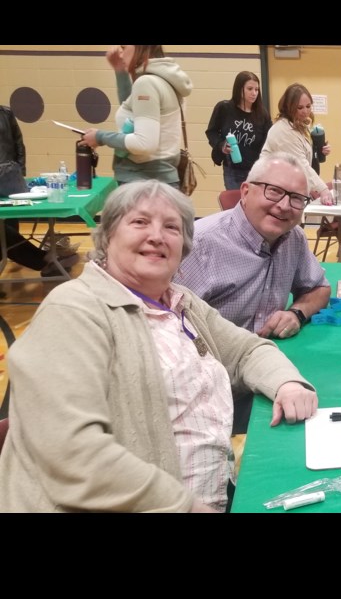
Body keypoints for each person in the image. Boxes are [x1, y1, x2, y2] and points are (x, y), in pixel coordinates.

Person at [0, 180, 318, 512]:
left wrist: (288, 382)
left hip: (209, 495)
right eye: (139, 222)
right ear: (107, 237)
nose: (156, 235)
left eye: (171, 227)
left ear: (183, 249)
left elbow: (245, 350)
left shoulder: (179, 302)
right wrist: (186, 506)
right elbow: (70, 452)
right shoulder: (74, 311)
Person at [178, 152, 332, 434]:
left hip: (264, 380)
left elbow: (319, 288)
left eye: (297, 198)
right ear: (246, 191)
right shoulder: (198, 245)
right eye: (274, 192)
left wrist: (297, 313)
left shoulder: (293, 238)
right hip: (204, 398)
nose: (284, 206)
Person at [80, 45, 192, 187]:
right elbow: (134, 114)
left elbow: (144, 144)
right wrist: (120, 72)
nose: (120, 53)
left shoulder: (147, 83)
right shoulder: (166, 79)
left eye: (124, 47)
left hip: (142, 186)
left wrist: (100, 137)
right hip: (159, 183)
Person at [1, 106, 79, 277]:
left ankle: (41, 260)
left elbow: (18, 145)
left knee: (9, 226)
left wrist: (20, 174)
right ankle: (44, 260)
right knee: (4, 233)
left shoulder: (5, 113)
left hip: (8, 179)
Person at [259, 82, 334, 204]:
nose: (305, 111)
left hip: (287, 189)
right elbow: (301, 165)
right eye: (300, 108)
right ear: (289, 107)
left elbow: (302, 153)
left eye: (308, 106)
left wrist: (317, 150)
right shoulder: (284, 131)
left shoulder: (299, 126)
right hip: (274, 192)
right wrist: (324, 190)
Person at [205, 71, 272, 190]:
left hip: (255, 170)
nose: (254, 93)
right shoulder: (224, 108)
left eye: (257, 89)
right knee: (236, 203)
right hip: (232, 169)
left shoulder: (262, 114)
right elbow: (211, 132)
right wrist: (221, 146)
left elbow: (269, 140)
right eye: (250, 89)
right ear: (239, 89)